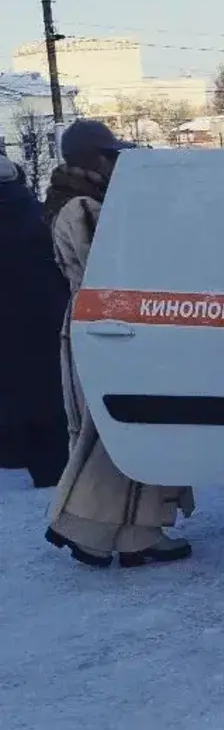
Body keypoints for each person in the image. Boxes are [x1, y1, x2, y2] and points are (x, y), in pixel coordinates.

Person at [44, 119, 195, 569]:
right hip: (111, 324)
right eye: (109, 156)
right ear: (92, 158)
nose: (114, 163)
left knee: (118, 430)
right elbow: (110, 271)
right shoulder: (86, 207)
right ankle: (92, 529)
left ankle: (131, 533)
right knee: (122, 430)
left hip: (97, 322)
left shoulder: (70, 201)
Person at [0, 157, 70, 487]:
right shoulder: (38, 215)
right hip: (46, 317)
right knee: (47, 388)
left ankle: (12, 451)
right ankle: (53, 466)